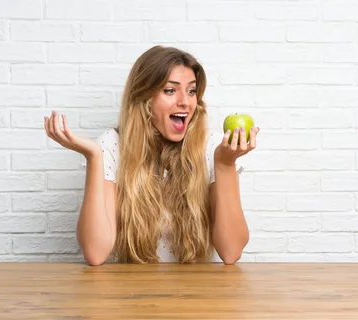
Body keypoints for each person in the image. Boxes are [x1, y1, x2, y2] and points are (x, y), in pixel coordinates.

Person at [43, 45, 259, 266]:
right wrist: (94, 158)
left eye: (191, 91)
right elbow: (95, 253)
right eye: (170, 90)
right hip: (131, 293)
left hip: (197, 292)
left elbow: (231, 252)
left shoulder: (211, 146)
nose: (185, 101)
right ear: (144, 98)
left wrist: (225, 164)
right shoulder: (112, 145)